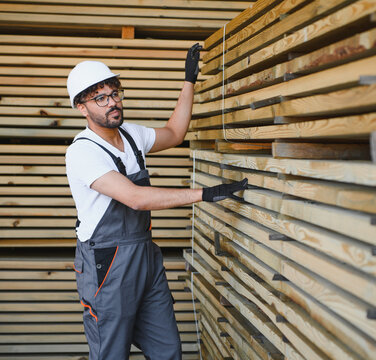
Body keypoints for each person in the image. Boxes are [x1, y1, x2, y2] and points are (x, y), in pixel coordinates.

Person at [65, 44, 247, 360]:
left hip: (146, 257)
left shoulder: (132, 135)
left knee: (167, 350)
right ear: (82, 107)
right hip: (107, 264)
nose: (113, 103)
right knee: (112, 353)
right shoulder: (82, 152)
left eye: (115, 93)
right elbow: (134, 198)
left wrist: (189, 80)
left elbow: (175, 133)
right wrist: (202, 195)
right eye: (101, 98)